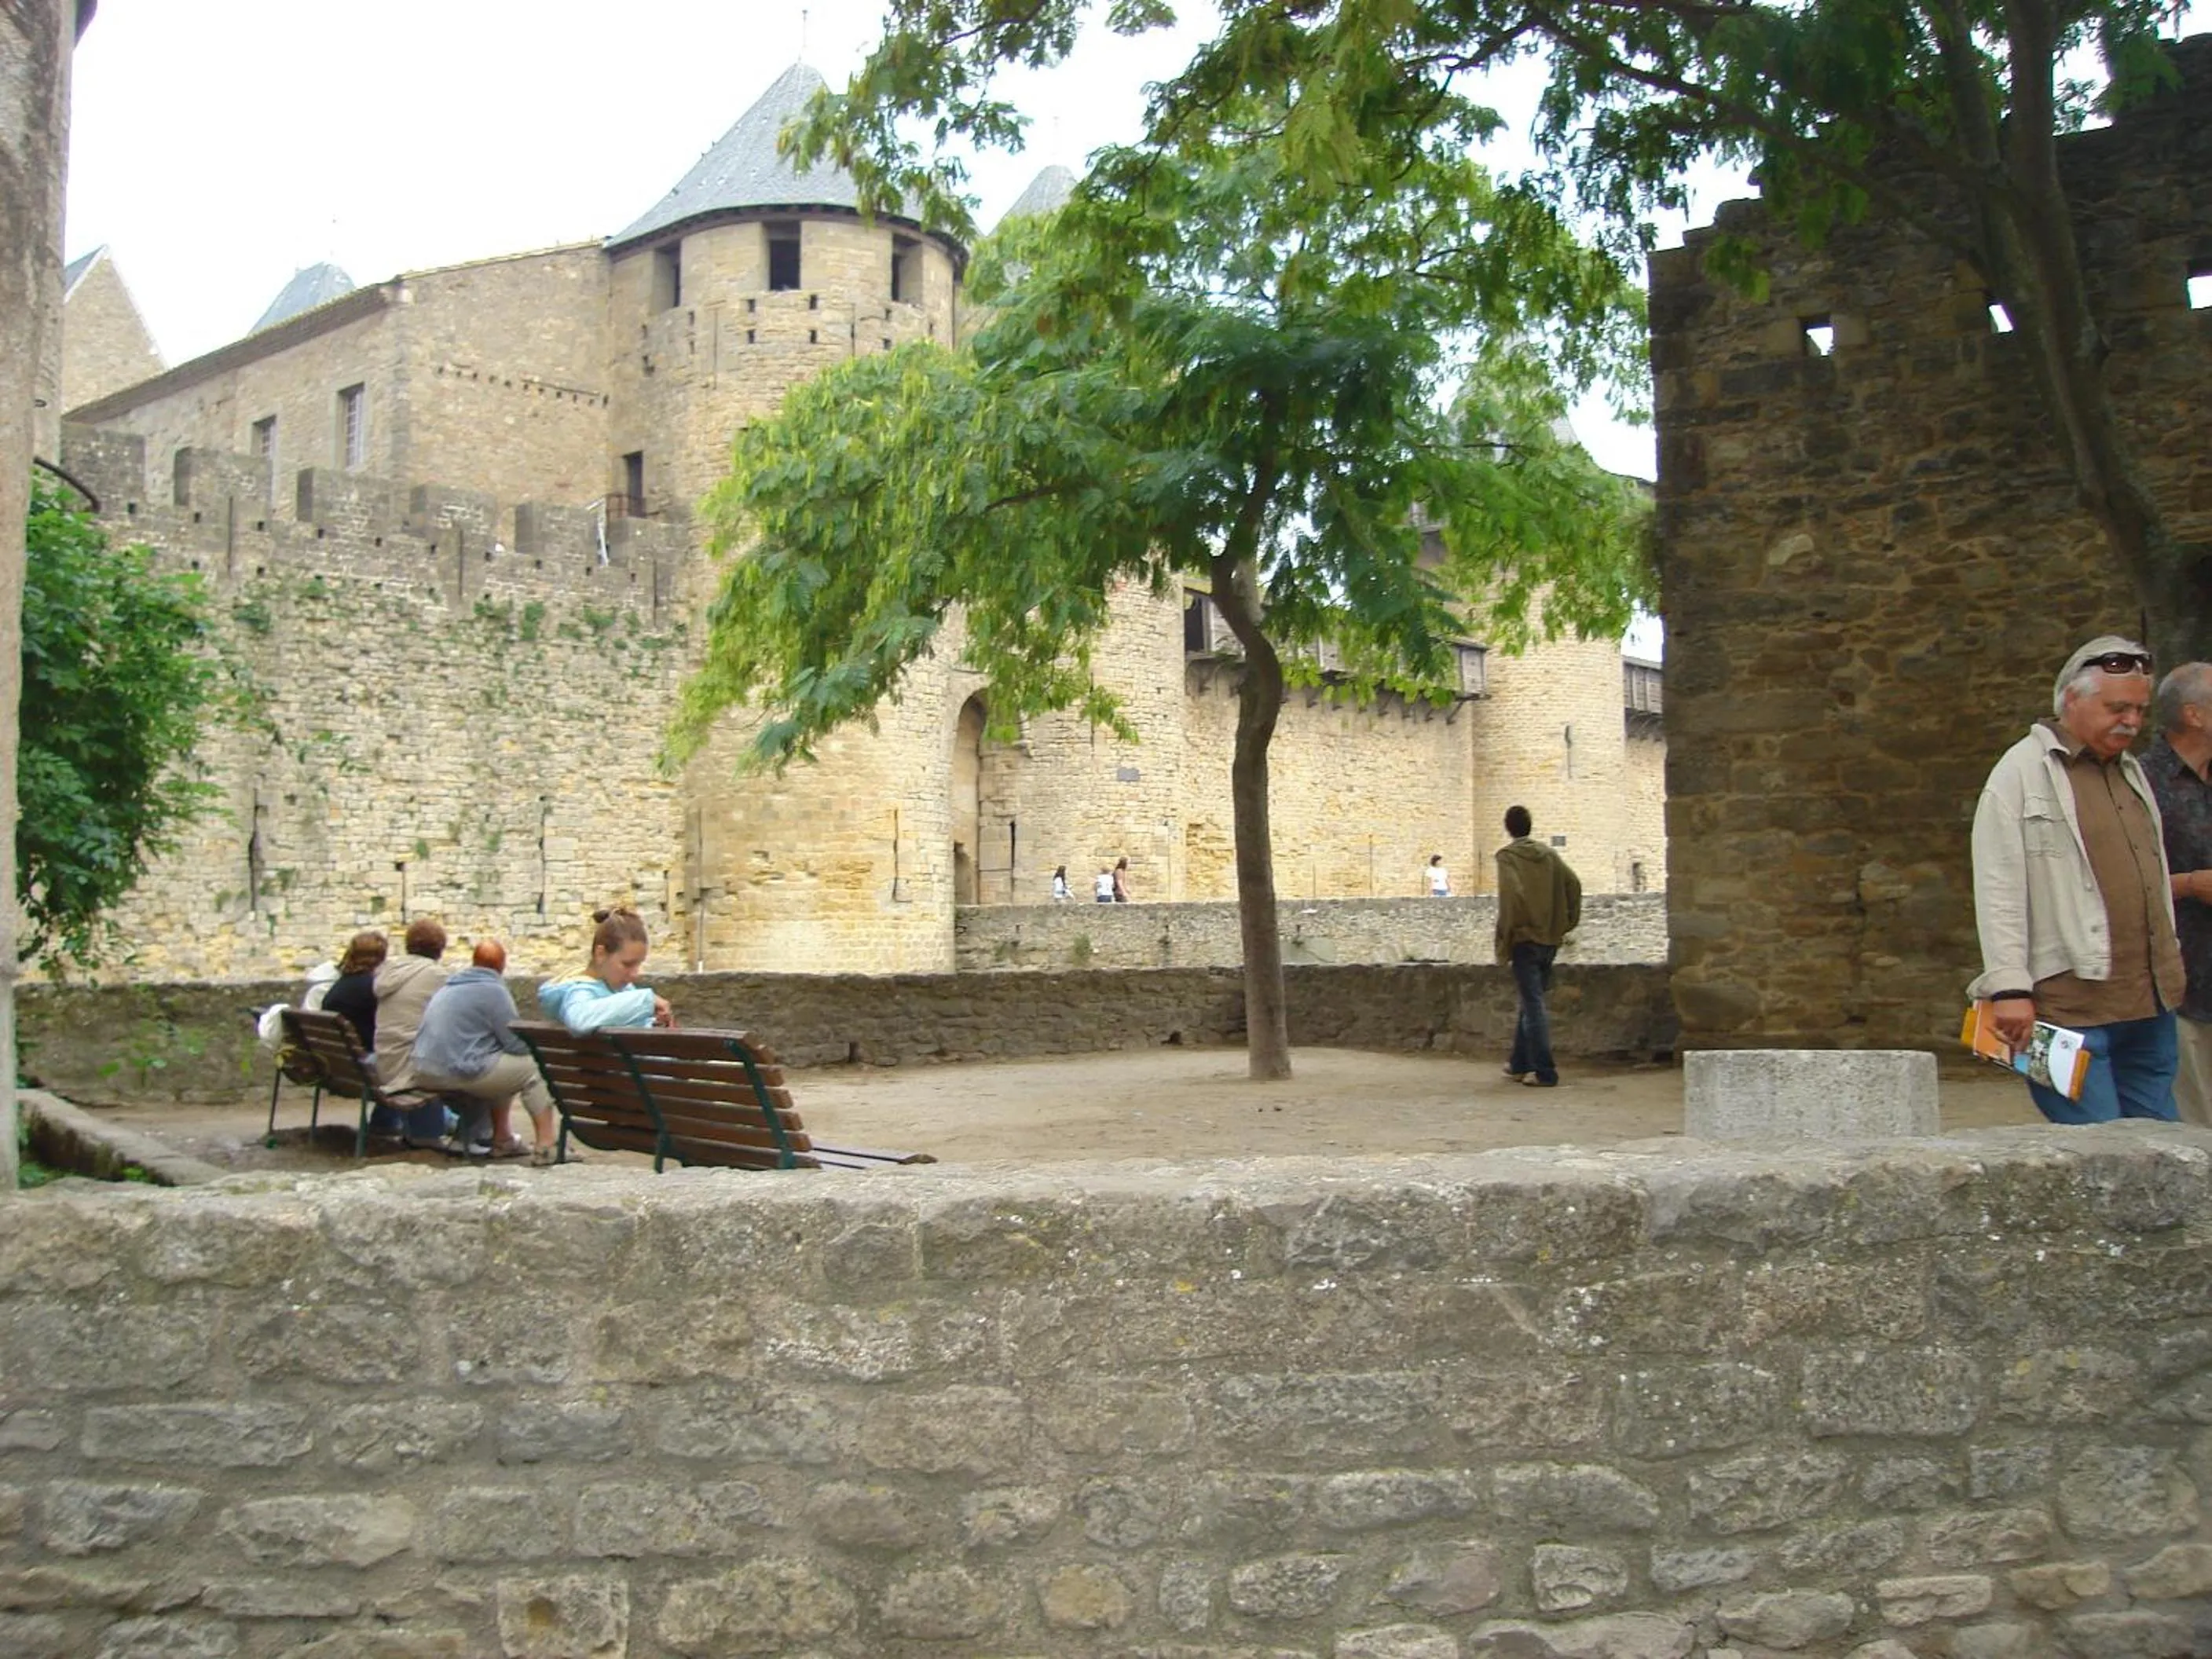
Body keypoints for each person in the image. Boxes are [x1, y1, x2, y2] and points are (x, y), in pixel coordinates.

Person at [1969, 636, 2181, 1123]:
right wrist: (2008, 989)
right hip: (2062, 1009)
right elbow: (1999, 887)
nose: (2131, 721)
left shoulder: (2130, 771)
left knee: (2165, 1153)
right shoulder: (2017, 774)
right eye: (2117, 708)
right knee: (2093, 1157)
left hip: (2149, 1003)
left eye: (2139, 709)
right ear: (2071, 700)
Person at [411, 939, 550, 1162]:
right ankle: (546, 1145)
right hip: (455, 1070)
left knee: (503, 1065)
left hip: (424, 1067)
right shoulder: (493, 990)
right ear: (502, 966)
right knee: (535, 1069)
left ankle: (503, 1138)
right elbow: (515, 1044)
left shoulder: (450, 986)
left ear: (474, 962)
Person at [2147, 661, 2212, 1129]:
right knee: (2196, 1132)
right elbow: (2112, 883)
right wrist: (2189, 884)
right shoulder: (2142, 781)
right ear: (2195, 715)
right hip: (2184, 984)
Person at [1496, 805, 1581, 1089]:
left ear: (1508, 828)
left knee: (1533, 1004)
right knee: (1531, 1000)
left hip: (1525, 939)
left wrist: (1507, 936)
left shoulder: (1508, 857)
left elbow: (1513, 896)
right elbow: (1574, 884)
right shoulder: (1549, 854)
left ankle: (1545, 1071)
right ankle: (1519, 1064)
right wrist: (1567, 922)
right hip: (1549, 938)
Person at [373, 917, 458, 1144]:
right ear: (439, 949)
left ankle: (395, 1124)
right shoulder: (436, 976)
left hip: (384, 1060)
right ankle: (446, 1134)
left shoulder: (389, 971)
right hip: (411, 1066)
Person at [539, 906, 675, 1032]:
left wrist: (652, 1024)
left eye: (638, 965)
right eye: (627, 964)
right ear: (601, 954)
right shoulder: (580, 991)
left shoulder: (620, 988)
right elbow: (579, 1019)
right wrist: (647, 1000)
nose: (635, 974)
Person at [320, 930, 387, 1050]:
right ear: (379, 958)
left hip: (342, 1057)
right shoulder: (372, 987)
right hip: (366, 1057)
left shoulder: (342, 984)